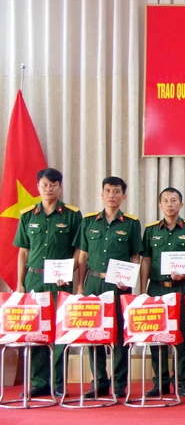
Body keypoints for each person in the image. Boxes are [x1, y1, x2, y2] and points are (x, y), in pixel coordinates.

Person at [13, 168, 82, 398]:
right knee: (36, 331)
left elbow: (79, 250)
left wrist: (70, 271)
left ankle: (58, 383)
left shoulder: (72, 215)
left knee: (60, 331)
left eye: (53, 185)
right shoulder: (28, 215)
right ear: (38, 187)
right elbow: (23, 252)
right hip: (34, 279)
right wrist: (20, 283)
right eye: (44, 185)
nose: (48, 189)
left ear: (60, 187)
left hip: (60, 282)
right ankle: (39, 381)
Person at [74, 176, 143, 398]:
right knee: (94, 332)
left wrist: (130, 280)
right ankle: (99, 381)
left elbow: (135, 256)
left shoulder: (131, 223)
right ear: (102, 194)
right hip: (93, 282)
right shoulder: (89, 222)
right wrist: (80, 286)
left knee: (120, 335)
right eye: (108, 191)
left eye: (116, 191)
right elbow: (83, 257)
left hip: (119, 286)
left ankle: (119, 383)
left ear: (124, 196)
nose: (111, 195)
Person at [139, 187, 185, 398]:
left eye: (174, 200)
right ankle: (160, 382)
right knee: (157, 335)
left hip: (182, 288)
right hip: (157, 288)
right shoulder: (151, 230)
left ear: (181, 204)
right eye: (166, 201)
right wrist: (142, 290)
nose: (170, 204)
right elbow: (146, 260)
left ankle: (181, 381)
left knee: (182, 336)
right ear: (160, 205)